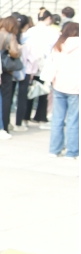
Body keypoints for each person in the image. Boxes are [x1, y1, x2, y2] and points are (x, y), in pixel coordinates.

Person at [43, 21, 79, 158]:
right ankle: (72, 151)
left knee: (57, 119)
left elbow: (52, 65)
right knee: (73, 120)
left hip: (58, 84)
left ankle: (54, 150)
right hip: (76, 87)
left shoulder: (58, 45)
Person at [0, 16, 24, 133]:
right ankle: (3, 125)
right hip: (6, 69)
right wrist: (19, 50)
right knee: (6, 98)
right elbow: (14, 52)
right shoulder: (10, 36)